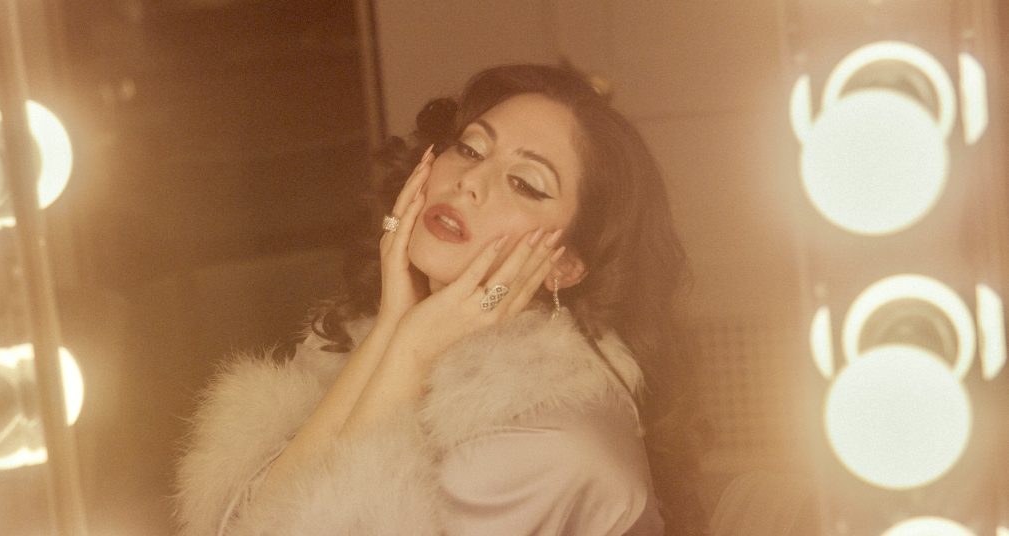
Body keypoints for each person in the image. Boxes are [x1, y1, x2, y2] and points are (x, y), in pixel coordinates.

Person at [176, 64, 697, 535]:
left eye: (524, 182)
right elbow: (240, 524)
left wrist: (409, 353)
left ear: (565, 264)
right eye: (471, 149)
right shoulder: (371, 336)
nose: (470, 181)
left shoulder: (549, 443)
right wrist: (392, 330)